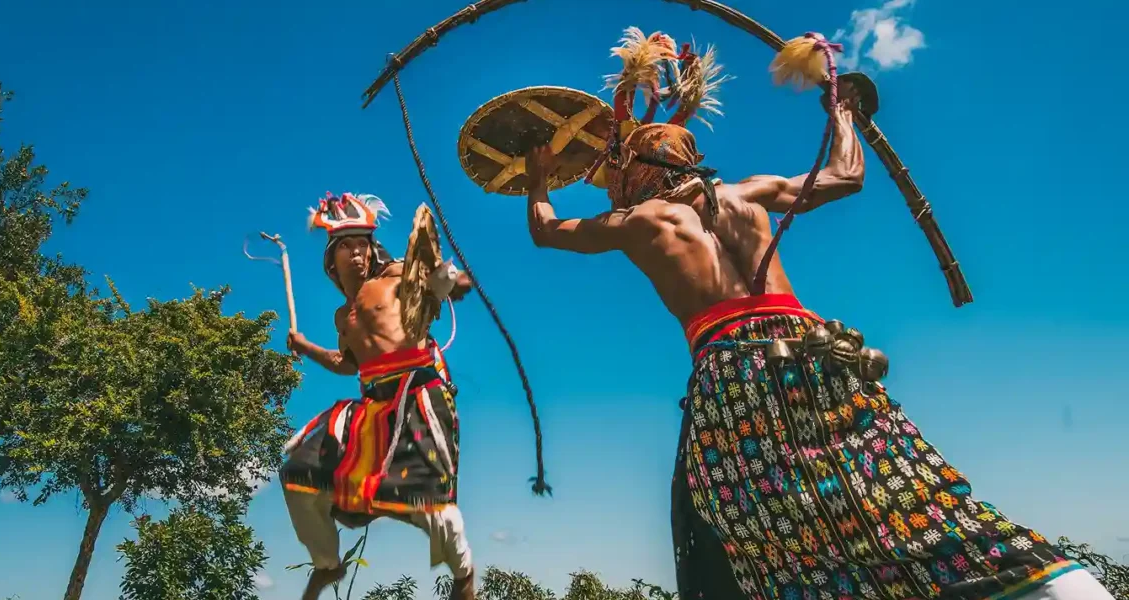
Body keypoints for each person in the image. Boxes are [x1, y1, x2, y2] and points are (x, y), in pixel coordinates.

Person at [521, 29, 1113, 600]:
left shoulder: (640, 223)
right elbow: (845, 176)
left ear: (636, 171)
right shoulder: (748, 194)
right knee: (888, 483)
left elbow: (547, 231)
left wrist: (539, 176)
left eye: (614, 177)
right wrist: (843, 110)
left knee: (762, 528)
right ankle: (1049, 584)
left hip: (734, 376)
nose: (610, 189)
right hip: (815, 352)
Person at [280, 192, 476, 600]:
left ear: (371, 252)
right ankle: (327, 564)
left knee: (429, 505)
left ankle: (463, 576)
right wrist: (303, 347)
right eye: (345, 246)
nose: (355, 253)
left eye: (361, 245)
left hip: (419, 395)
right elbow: (346, 363)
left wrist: (449, 281)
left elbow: (444, 283)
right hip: (371, 408)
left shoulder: (394, 277)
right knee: (297, 475)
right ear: (331, 261)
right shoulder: (343, 316)